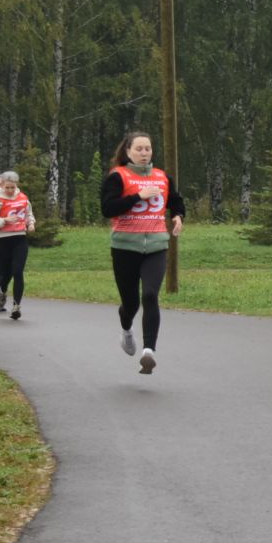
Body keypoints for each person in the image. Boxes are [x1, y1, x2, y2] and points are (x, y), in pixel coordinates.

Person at [100, 131, 185, 374]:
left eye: (147, 148)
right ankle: (126, 329)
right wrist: (138, 196)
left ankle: (149, 352)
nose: (144, 153)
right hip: (125, 247)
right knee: (131, 303)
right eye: (139, 149)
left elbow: (176, 200)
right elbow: (108, 208)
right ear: (128, 152)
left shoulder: (162, 177)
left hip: (156, 245)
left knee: (150, 295)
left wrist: (178, 216)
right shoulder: (118, 176)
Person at [0, 171, 32, 320]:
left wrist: (31, 223)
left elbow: (29, 213)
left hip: (19, 238)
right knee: (5, 273)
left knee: (18, 272)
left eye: (13, 187)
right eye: (7, 187)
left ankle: (16, 306)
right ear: (2, 186)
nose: (10, 190)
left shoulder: (23, 197)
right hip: (2, 240)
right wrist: (5, 220)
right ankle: (2, 291)